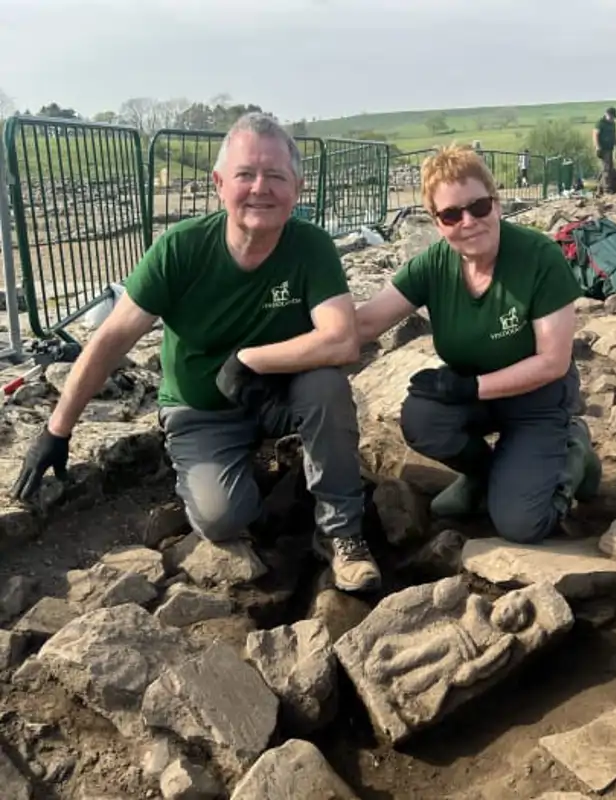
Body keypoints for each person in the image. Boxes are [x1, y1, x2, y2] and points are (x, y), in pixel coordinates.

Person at [11, 112, 381, 594]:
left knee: (327, 384)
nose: (260, 188)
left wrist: (251, 361)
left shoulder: (310, 246)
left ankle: (340, 533)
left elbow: (341, 338)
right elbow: (111, 338)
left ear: (297, 186)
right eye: (246, 174)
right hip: (201, 411)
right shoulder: (180, 250)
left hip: (276, 395)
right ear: (219, 184)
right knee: (223, 519)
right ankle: (266, 479)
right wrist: (57, 429)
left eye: (275, 176)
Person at [355, 144, 602, 545]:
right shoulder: (434, 265)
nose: (468, 222)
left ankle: (573, 452)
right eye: (452, 214)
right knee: (423, 418)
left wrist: (470, 388)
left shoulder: (539, 257)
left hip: (538, 400)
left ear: (497, 203)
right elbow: (364, 322)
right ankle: (486, 476)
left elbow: (553, 362)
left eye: (479, 207)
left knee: (522, 525)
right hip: (479, 397)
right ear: (437, 222)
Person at [592, 107, 616, 194]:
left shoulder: (612, 124)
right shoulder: (600, 123)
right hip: (603, 148)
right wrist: (597, 147)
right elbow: (595, 135)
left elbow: (615, 136)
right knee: (607, 169)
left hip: (610, 148)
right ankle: (607, 189)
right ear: (607, 114)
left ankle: (601, 188)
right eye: (611, 117)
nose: (612, 119)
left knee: (608, 168)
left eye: (613, 117)